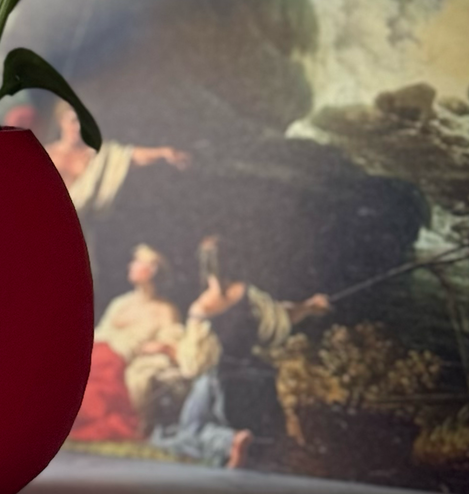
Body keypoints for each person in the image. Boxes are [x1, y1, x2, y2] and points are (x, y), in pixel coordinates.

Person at [153, 235, 331, 469]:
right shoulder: (250, 295)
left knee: (186, 431)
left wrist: (169, 349)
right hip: (255, 379)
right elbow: (280, 316)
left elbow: (194, 364)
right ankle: (235, 446)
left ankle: (230, 442)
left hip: (220, 382)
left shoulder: (202, 307)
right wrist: (309, 306)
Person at [71, 245, 186, 441]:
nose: (131, 266)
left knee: (96, 377)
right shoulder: (120, 302)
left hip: (118, 356)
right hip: (98, 349)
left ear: (152, 271)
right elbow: (99, 332)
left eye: (138, 262)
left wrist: (159, 347)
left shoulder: (164, 309)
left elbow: (173, 342)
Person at [42, 103, 190, 219]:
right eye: (73, 121)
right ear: (61, 121)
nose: (78, 127)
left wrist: (162, 153)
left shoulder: (98, 156)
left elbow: (128, 156)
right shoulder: (43, 154)